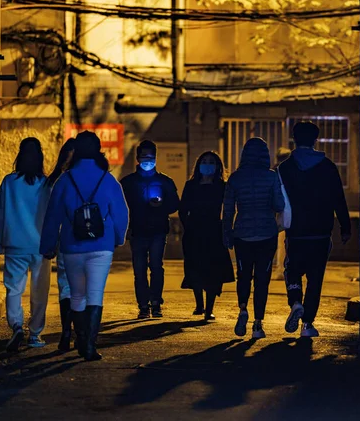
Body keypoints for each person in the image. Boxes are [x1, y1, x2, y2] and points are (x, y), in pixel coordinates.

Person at [40, 131, 129, 361]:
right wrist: (118, 237)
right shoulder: (108, 179)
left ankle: (80, 338)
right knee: (95, 294)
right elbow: (121, 213)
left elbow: (53, 216)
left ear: (76, 151)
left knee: (77, 295)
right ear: (99, 151)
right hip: (102, 244)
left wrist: (48, 245)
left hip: (72, 244)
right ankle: (89, 345)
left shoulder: (65, 180)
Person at [278, 121, 351, 338]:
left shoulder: (285, 168)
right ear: (315, 140)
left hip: (296, 231)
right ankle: (307, 324)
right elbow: (339, 197)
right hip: (321, 231)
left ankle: (295, 301)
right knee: (315, 278)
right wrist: (345, 227)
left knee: (292, 270)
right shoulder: (328, 166)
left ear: (294, 138)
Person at [223, 137, 285, 340]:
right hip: (267, 234)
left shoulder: (235, 178)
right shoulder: (271, 177)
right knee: (262, 279)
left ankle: (242, 309)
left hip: (242, 233)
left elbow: (228, 210)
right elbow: (279, 205)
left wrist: (227, 233)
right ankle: (258, 324)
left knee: (243, 274)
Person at [0, 138, 51, 352]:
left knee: (14, 289)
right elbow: (50, 216)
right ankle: (35, 334)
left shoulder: (9, 182)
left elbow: (1, 213)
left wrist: (0, 241)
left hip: (14, 244)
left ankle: (16, 325)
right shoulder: (46, 183)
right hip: (40, 245)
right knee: (40, 291)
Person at [120, 140, 180, 319]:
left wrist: (161, 206)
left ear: (155, 158)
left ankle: (156, 303)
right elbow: (121, 206)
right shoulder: (128, 182)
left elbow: (175, 204)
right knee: (139, 269)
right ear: (138, 158)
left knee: (156, 266)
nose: (148, 161)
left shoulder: (165, 181)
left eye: (151, 157)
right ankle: (143, 305)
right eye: (144, 157)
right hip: (137, 231)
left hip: (158, 230)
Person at [179, 151, 234, 322]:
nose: (208, 164)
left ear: (218, 166)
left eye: (211, 162)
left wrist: (226, 228)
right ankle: (199, 304)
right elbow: (183, 208)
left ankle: (209, 309)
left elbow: (228, 209)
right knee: (195, 267)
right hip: (194, 231)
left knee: (213, 271)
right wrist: (187, 226)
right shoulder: (191, 185)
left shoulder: (222, 186)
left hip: (214, 231)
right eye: (204, 161)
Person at [46, 138, 75, 352]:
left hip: (66, 241)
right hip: (79, 241)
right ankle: (75, 331)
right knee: (77, 288)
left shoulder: (57, 181)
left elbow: (50, 215)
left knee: (67, 288)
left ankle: (68, 331)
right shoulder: (88, 179)